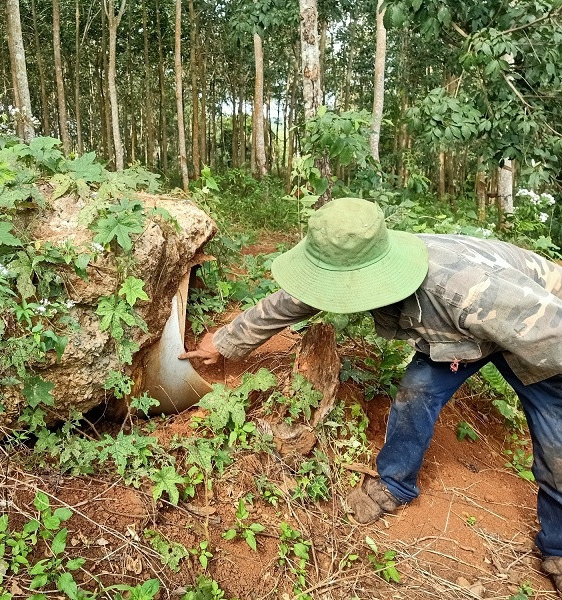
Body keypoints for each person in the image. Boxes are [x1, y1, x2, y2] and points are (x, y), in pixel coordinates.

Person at [179, 197, 562, 589]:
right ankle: (394, 485)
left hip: (539, 337)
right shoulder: (359, 255)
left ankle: (559, 547)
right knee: (415, 393)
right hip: (457, 337)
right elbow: (297, 299)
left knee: (557, 448)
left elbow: (554, 334)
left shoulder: (469, 293)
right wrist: (225, 341)